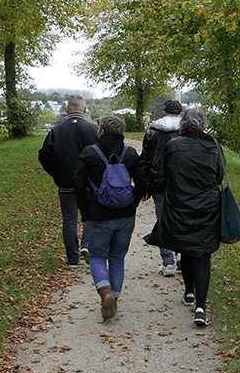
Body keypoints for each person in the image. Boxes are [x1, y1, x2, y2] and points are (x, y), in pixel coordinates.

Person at [150, 107, 223, 327]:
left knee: (185, 246)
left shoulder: (173, 146)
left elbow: (163, 175)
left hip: (181, 204)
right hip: (208, 206)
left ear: (183, 123)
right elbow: (219, 175)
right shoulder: (214, 146)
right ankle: (200, 306)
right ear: (203, 124)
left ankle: (189, 292)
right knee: (202, 252)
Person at [74, 115, 146, 321]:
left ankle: (104, 290)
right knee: (117, 257)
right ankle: (114, 300)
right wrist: (133, 204)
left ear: (101, 131)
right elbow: (142, 183)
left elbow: (78, 185)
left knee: (97, 256)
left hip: (98, 216)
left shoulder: (89, 153)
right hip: (125, 215)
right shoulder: (130, 153)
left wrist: (85, 213)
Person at [38, 95, 97, 268]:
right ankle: (86, 245)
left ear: (67, 109)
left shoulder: (56, 131)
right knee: (90, 216)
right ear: (84, 110)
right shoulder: (93, 129)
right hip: (88, 182)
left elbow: (44, 156)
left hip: (65, 182)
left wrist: (56, 173)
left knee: (69, 220)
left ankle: (72, 259)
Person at [138, 99, 183, 277]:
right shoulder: (185, 131)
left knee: (162, 219)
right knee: (180, 218)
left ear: (164, 113)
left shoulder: (152, 131)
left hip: (159, 182)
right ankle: (180, 253)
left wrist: (143, 187)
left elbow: (145, 159)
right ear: (180, 113)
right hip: (180, 183)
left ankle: (167, 261)